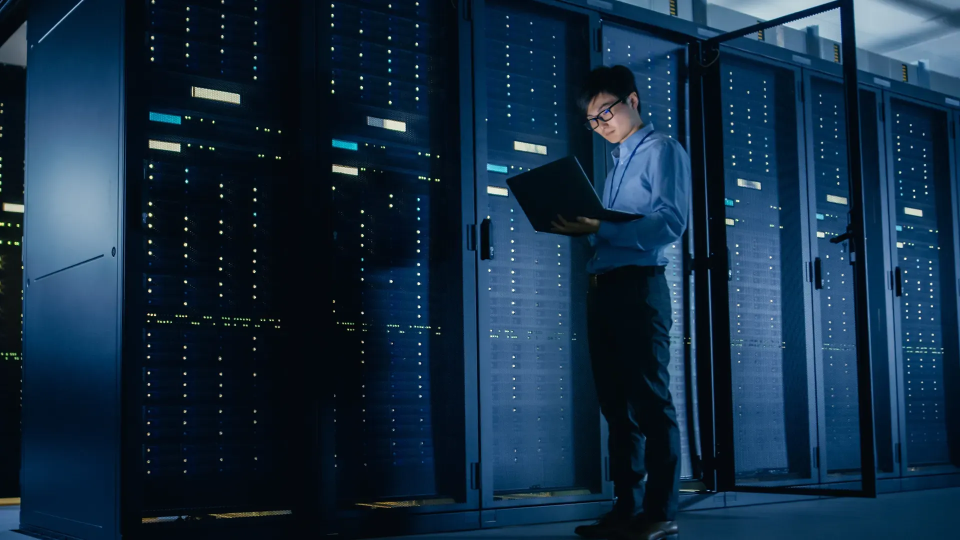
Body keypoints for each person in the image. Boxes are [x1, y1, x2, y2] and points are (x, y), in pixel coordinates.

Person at [551, 65, 690, 540]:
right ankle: (626, 509)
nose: (601, 123)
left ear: (632, 100)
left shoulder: (662, 151)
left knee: (651, 403)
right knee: (615, 406)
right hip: (605, 288)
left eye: (605, 111)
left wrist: (599, 227)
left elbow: (669, 223)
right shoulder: (614, 164)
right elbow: (610, 232)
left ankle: (660, 513)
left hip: (639, 288)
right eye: (592, 119)